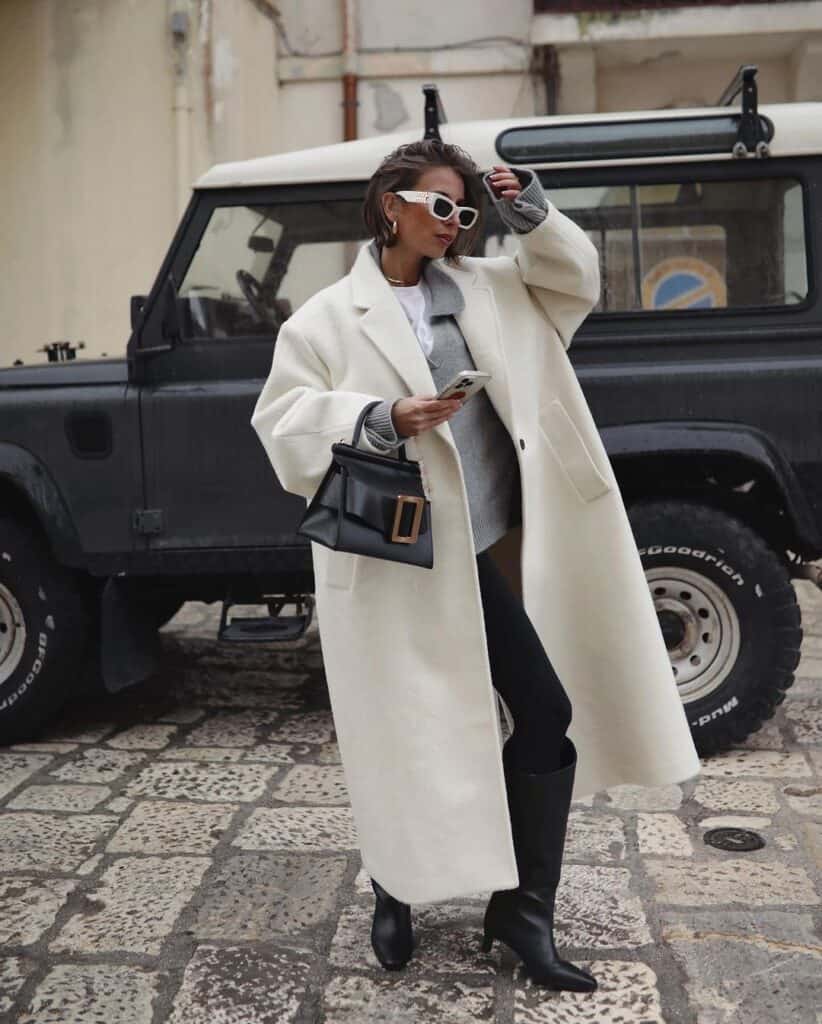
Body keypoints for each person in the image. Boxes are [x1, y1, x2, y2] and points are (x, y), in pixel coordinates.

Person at [251, 138, 700, 993]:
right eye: (439, 206)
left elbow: (575, 282)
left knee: (545, 711)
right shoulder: (323, 320)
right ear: (392, 206)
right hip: (399, 558)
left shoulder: (494, 285)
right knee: (404, 729)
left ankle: (523, 912)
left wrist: (527, 210)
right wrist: (379, 417)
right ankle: (395, 888)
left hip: (503, 544)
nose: (455, 223)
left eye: (464, 210)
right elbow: (282, 425)